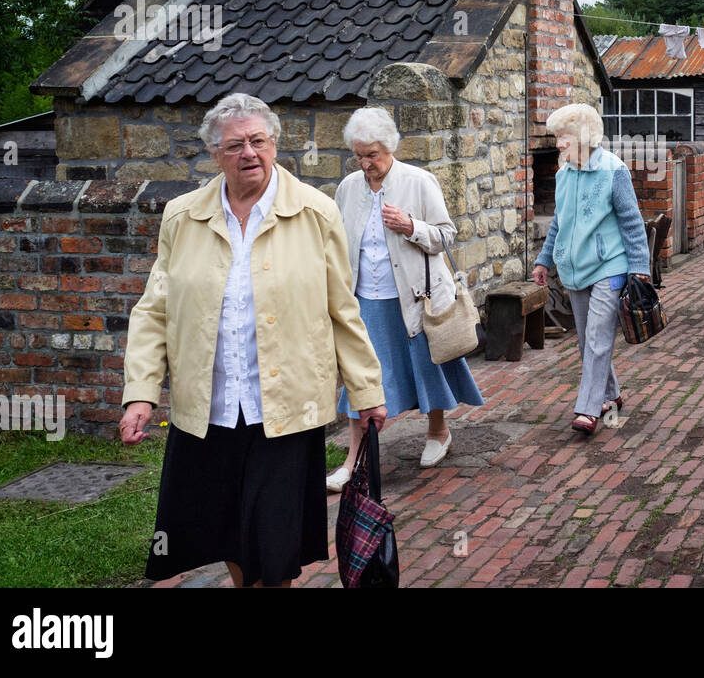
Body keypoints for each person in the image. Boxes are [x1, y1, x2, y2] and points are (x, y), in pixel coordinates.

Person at [119, 93, 387, 588]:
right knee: (227, 535)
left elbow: (342, 311)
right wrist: (140, 394)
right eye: (235, 145)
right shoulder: (183, 218)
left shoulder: (315, 213)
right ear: (215, 155)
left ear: (275, 144)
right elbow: (154, 310)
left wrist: (367, 392)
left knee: (275, 543)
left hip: (285, 411)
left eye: (258, 141)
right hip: (210, 410)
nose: (249, 153)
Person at [327, 107, 484, 488]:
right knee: (358, 378)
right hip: (365, 298)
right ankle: (354, 460)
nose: (366, 164)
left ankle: (437, 432)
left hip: (414, 297)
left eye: (373, 155)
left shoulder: (418, 181)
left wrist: (411, 227)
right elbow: (335, 242)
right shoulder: (348, 188)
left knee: (424, 368)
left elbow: (447, 235)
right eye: (359, 155)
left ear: (390, 147)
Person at [532, 103, 650, 436]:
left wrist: (639, 266)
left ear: (582, 136)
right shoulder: (563, 174)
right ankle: (611, 394)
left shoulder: (614, 170)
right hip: (574, 268)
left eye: (563, 136)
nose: (558, 144)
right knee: (587, 342)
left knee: (598, 339)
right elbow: (558, 221)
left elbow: (631, 221)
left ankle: (588, 409)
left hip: (608, 266)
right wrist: (544, 260)